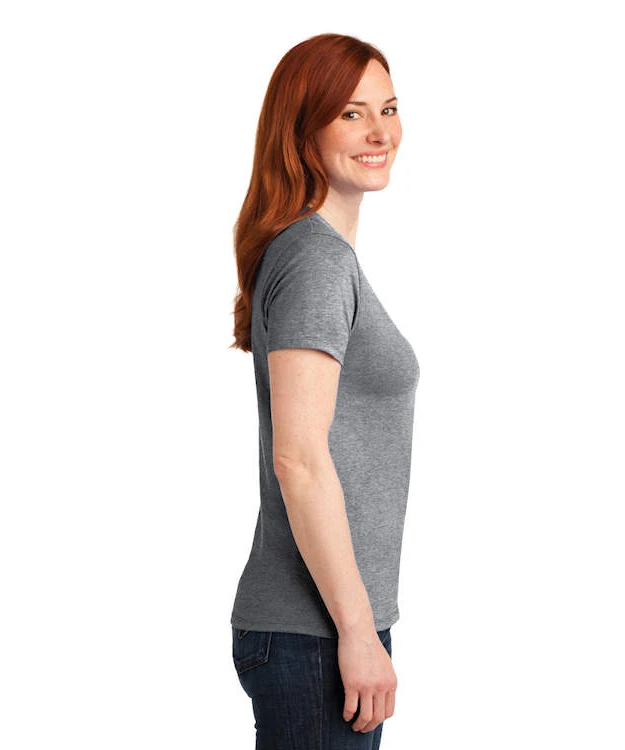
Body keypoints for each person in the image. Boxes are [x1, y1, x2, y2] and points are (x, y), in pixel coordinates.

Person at [229, 33, 420, 750]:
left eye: (388, 109)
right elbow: (300, 459)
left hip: (321, 630)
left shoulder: (315, 254)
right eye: (350, 114)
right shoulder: (315, 260)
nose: (380, 132)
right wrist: (356, 631)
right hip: (318, 635)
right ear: (302, 128)